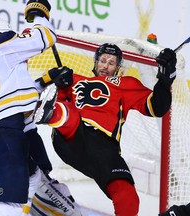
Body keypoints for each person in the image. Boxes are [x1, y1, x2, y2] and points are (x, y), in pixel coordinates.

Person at [33, 43, 177, 216]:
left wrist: (165, 78)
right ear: (95, 62)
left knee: (128, 196)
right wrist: (58, 84)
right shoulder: (74, 79)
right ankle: (52, 113)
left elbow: (158, 107)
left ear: (118, 68)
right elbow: (48, 90)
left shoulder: (126, 84)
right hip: (73, 136)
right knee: (68, 115)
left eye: (112, 62)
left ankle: (54, 113)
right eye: (102, 60)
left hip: (104, 148)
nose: (106, 65)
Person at [0, 0, 59, 215]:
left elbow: (13, 92)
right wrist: (39, 13)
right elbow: (45, 36)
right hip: (4, 133)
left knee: (33, 176)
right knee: (8, 208)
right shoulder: (5, 44)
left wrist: (46, 79)